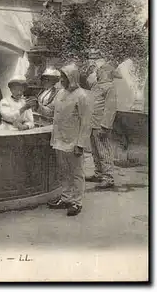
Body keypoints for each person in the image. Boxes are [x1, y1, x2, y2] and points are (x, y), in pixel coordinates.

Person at [46, 63, 92, 216]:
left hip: (73, 142)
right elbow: (50, 111)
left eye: (63, 77)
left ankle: (76, 202)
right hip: (59, 139)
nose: (61, 80)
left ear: (71, 78)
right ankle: (66, 198)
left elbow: (86, 122)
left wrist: (80, 144)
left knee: (76, 173)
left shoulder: (82, 96)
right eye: (61, 77)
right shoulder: (60, 93)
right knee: (63, 171)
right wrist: (37, 106)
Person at [86, 61, 118, 189]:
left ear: (106, 73)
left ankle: (108, 177)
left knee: (103, 151)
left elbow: (110, 109)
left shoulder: (109, 87)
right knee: (95, 151)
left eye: (100, 71)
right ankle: (99, 173)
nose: (97, 72)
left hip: (101, 125)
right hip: (92, 123)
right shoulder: (96, 86)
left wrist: (105, 126)